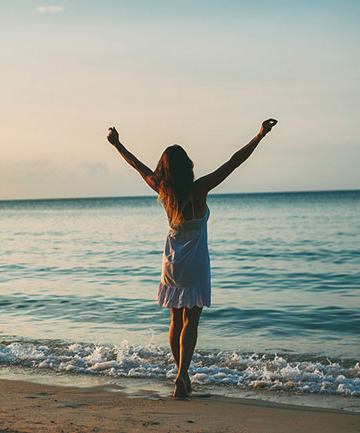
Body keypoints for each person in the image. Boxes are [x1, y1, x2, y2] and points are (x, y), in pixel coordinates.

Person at [107, 118, 278, 398]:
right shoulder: (200, 189)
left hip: (172, 263)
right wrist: (259, 135)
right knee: (191, 322)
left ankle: (181, 375)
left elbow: (136, 165)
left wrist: (118, 144)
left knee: (176, 319)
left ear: (164, 168)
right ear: (188, 167)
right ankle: (182, 375)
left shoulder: (163, 191)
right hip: (196, 263)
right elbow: (233, 162)